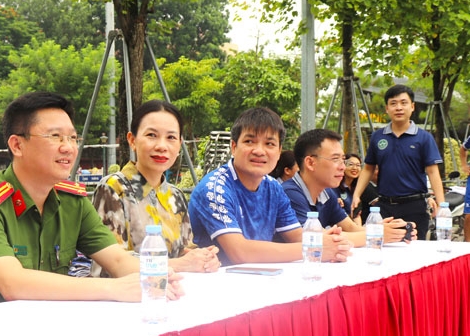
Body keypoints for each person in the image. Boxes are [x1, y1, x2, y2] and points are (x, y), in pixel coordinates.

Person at [0, 91, 184, 305]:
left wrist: (156, 276)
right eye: (55, 136)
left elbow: (117, 260)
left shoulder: (72, 201)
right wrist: (114, 288)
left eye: (73, 138)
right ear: (17, 145)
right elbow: (12, 283)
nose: (68, 148)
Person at [188, 107, 352, 266]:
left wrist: (332, 241)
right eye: (249, 141)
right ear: (233, 147)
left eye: (269, 143)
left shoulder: (273, 187)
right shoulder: (215, 187)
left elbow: (296, 236)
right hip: (215, 279)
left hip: (262, 277)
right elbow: (239, 252)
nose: (259, 151)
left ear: (279, 151)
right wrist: (314, 247)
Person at [92, 100, 220, 273]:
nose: (161, 146)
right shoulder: (113, 189)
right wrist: (180, 264)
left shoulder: (175, 195)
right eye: (152, 135)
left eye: (171, 137)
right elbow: (111, 263)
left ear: (180, 144)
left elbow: (183, 250)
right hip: (131, 288)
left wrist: (204, 258)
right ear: (132, 140)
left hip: (174, 286)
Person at [281, 129, 414, 246]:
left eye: (343, 160)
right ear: (310, 163)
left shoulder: (327, 193)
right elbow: (314, 239)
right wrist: (378, 234)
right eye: (335, 159)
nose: (343, 167)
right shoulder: (289, 193)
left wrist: (394, 231)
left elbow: (351, 228)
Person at [352, 84, 445, 238]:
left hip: (415, 206)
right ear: (387, 108)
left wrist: (441, 204)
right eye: (393, 103)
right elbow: (368, 168)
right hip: (384, 206)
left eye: (403, 103)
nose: (399, 108)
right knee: (382, 245)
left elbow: (433, 172)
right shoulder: (377, 137)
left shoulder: (424, 138)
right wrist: (356, 195)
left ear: (412, 106)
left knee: (414, 247)